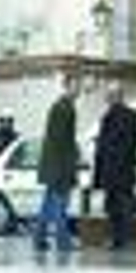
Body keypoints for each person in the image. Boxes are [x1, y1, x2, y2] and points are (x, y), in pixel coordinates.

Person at [35, 73, 80, 253]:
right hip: (60, 166)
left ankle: (39, 238)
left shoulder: (61, 106)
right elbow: (61, 141)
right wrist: (70, 164)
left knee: (48, 204)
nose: (77, 90)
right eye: (75, 86)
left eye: (78, 86)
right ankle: (63, 241)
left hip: (54, 165)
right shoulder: (64, 108)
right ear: (66, 86)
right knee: (60, 204)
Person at [92, 83, 136, 249]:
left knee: (116, 207)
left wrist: (104, 167)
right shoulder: (130, 116)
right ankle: (122, 238)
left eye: (110, 95)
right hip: (124, 171)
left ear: (116, 96)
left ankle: (119, 239)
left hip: (114, 171)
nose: (108, 98)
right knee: (122, 206)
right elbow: (134, 142)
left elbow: (107, 146)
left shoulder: (111, 117)